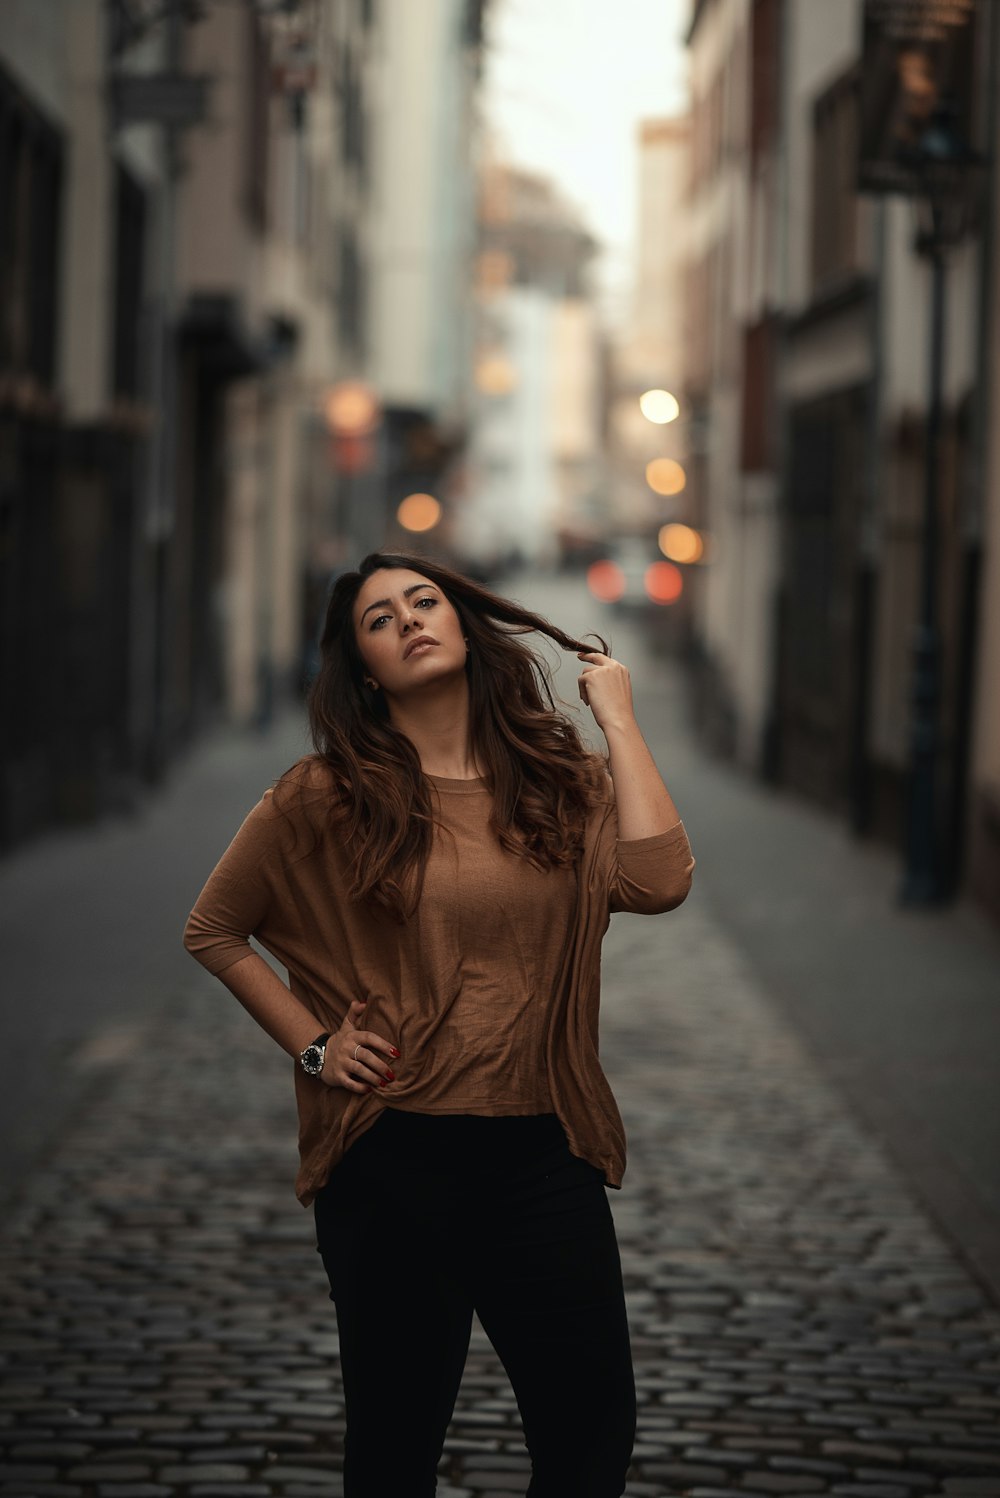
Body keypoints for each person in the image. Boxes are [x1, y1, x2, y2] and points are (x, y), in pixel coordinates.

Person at [184, 551, 694, 1498]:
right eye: (380, 619)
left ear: (465, 627)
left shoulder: (564, 784)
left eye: (425, 601)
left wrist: (616, 718)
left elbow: (660, 881)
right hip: (393, 1161)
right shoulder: (323, 796)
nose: (410, 619)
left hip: (547, 1155)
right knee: (395, 1451)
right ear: (363, 667)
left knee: (591, 1440)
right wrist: (314, 1042)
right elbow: (214, 929)